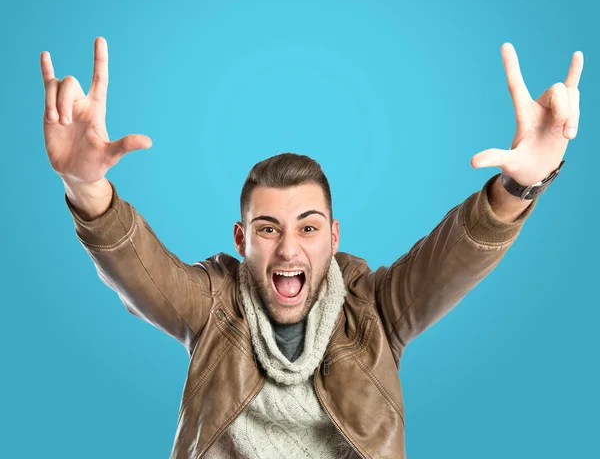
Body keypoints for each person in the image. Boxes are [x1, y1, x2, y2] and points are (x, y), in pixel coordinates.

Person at [41, 37, 583, 459]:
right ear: (242, 239)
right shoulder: (213, 307)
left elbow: (455, 257)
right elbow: (140, 272)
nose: (288, 250)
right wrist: (85, 185)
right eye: (268, 228)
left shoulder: (375, 312)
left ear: (334, 237)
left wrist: (520, 185)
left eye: (308, 227)